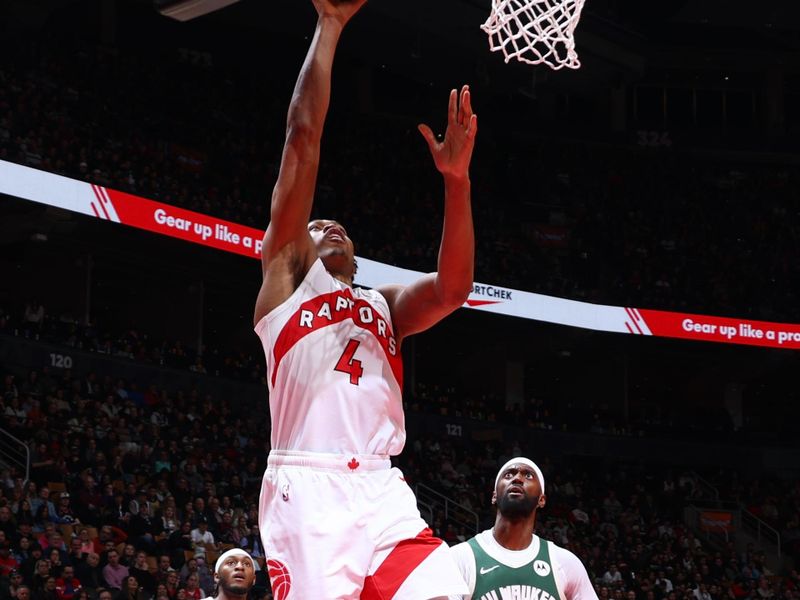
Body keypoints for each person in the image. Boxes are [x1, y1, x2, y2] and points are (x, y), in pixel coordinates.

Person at [253, 0, 477, 598]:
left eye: (342, 228)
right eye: (318, 223)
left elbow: (454, 289)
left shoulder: (385, 305)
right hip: (309, 485)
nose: (332, 227)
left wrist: (457, 183)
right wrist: (328, 27)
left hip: (381, 490)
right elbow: (302, 141)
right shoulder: (285, 280)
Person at [449, 458, 596, 600]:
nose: (517, 478)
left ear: (541, 499)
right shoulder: (460, 558)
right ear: (494, 495)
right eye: (508, 475)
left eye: (528, 475)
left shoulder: (565, 562)